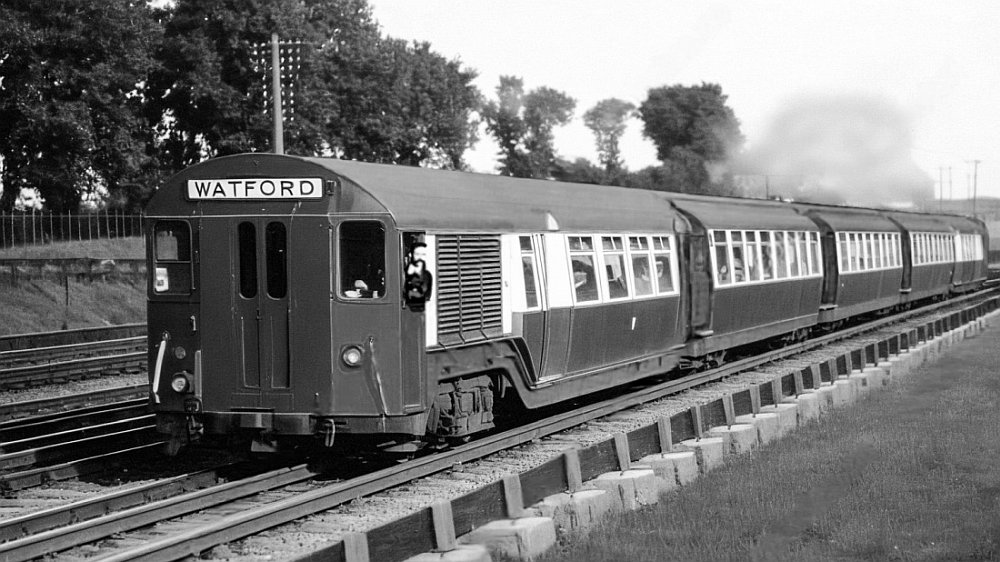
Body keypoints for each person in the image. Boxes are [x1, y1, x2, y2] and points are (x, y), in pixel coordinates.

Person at [404, 242, 433, 311]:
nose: (420, 257)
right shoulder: (404, 272)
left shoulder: (427, 275)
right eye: (417, 254)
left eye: (423, 254)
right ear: (411, 255)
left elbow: (424, 294)